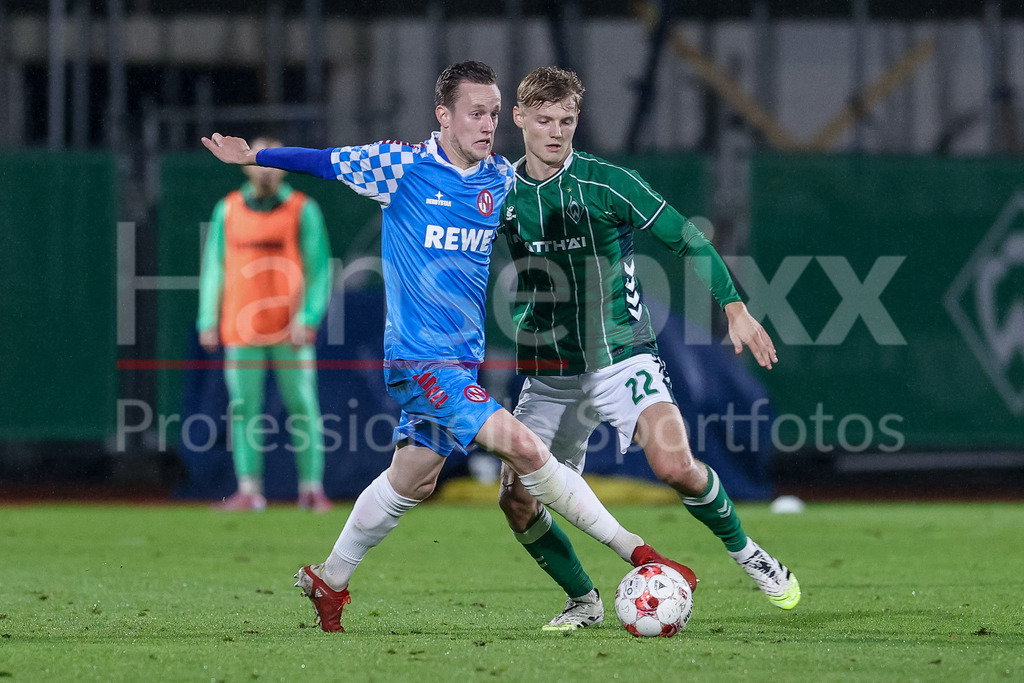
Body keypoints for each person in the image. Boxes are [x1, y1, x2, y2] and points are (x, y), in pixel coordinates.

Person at [201, 61, 694, 633]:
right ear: (444, 115)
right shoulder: (401, 167)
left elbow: (549, 201)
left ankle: (328, 580)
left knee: (413, 478)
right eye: (476, 114)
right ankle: (640, 553)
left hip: (462, 360)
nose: (488, 126)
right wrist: (255, 156)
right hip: (420, 360)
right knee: (527, 450)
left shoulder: (500, 181)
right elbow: (326, 160)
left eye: (493, 113)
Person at [497, 66, 800, 630]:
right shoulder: (496, 191)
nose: (556, 132)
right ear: (519, 119)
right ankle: (583, 601)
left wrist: (734, 306)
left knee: (675, 465)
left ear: (577, 121)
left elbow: (687, 237)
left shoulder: (608, 182)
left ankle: (748, 554)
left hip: (621, 357)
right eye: (543, 121)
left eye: (566, 120)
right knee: (516, 502)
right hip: (549, 373)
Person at [197, 137, 334, 513]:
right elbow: (214, 268)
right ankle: (248, 490)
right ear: (245, 166)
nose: (266, 169)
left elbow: (320, 269)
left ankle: (310, 489)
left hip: (289, 330)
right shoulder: (227, 210)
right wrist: (208, 318)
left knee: (303, 406)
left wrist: (308, 317)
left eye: (272, 162)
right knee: (244, 409)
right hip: (242, 327)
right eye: (259, 161)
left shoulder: (302, 209)